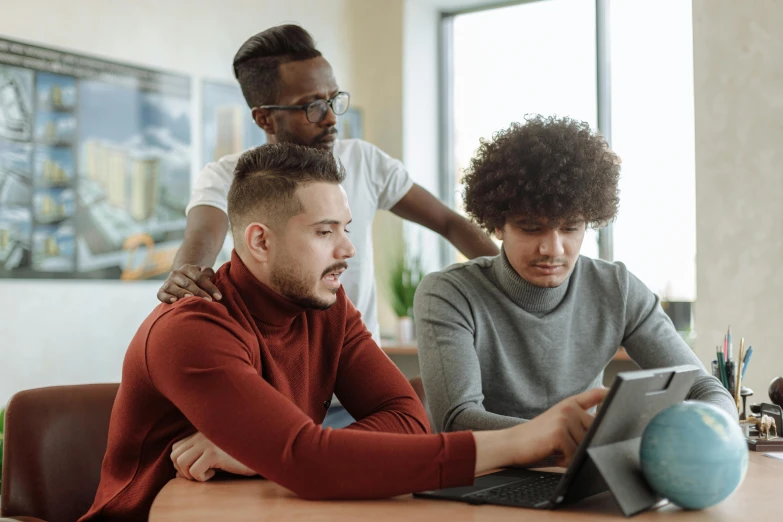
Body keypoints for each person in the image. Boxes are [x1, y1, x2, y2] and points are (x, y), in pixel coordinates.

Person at [80, 144, 606, 521]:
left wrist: (265, 455)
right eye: (324, 231)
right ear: (260, 241)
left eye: (346, 228)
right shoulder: (192, 328)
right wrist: (519, 442)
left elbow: (407, 420)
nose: (347, 249)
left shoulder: (325, 305)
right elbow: (309, 464)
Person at [157, 24, 498, 345]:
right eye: (313, 106)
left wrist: (515, 282)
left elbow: (450, 222)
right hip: (278, 375)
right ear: (264, 118)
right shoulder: (228, 176)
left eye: (334, 99)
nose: (333, 117)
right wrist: (188, 273)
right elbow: (201, 236)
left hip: (360, 378)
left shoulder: (365, 161)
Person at [413, 115, 736, 434]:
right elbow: (457, 420)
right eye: (531, 228)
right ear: (498, 224)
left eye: (570, 228)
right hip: (490, 476)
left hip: (583, 469)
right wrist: (572, 437)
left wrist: (710, 430)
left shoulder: (617, 289)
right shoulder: (449, 293)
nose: (553, 248)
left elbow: (705, 390)